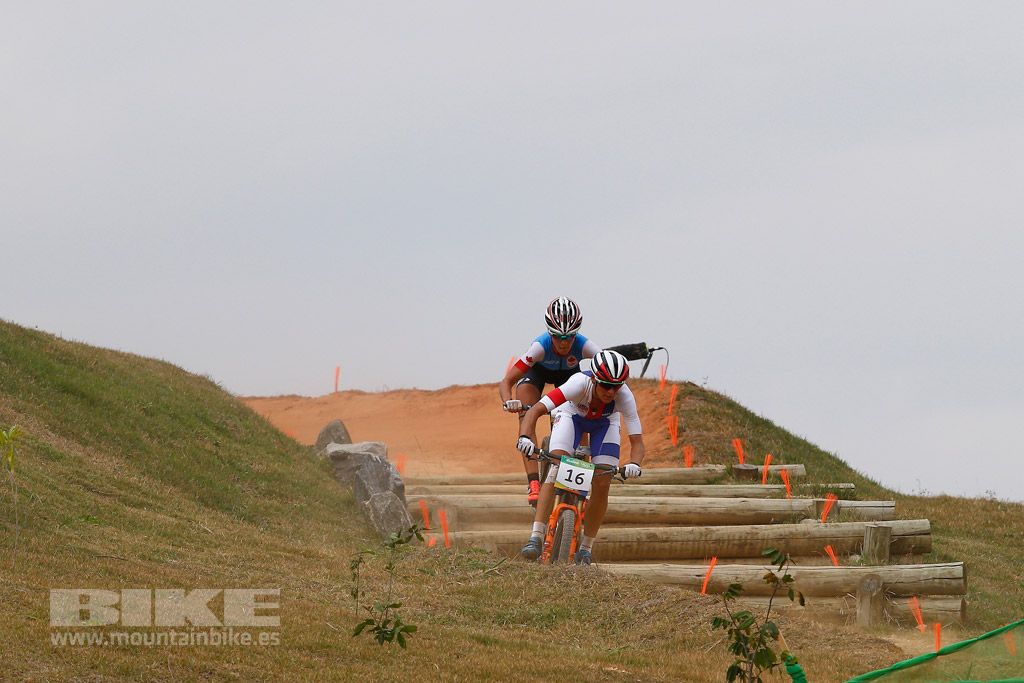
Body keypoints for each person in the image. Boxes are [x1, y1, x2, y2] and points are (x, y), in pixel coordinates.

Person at [514, 349, 645, 566]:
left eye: (616, 386)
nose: (611, 392)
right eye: (605, 385)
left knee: (603, 481)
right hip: (571, 415)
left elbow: (637, 442)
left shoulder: (625, 397)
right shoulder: (578, 383)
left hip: (606, 423)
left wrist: (634, 463)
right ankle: (536, 536)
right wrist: (525, 437)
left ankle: (586, 548)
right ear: (594, 379)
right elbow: (536, 409)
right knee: (556, 465)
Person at [498, 297, 601, 506]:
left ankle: (580, 483)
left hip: (568, 377)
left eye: (570, 337)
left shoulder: (585, 345)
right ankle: (533, 482)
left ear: (577, 334)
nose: (564, 342)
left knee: (580, 420)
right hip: (537, 375)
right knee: (526, 413)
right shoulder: (539, 347)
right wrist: (509, 401)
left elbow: (606, 366)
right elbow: (507, 380)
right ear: (549, 333)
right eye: (558, 337)